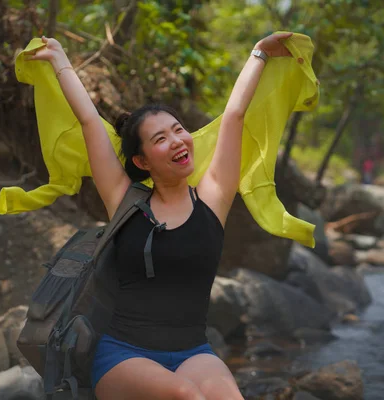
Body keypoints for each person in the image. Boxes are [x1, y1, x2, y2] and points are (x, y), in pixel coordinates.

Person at [27, 31, 294, 400]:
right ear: (142, 161)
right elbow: (89, 120)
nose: (177, 141)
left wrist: (259, 54)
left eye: (178, 130)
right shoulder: (125, 201)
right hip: (124, 355)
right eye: (160, 139)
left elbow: (234, 115)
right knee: (186, 396)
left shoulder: (213, 199)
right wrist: (60, 61)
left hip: (192, 352)